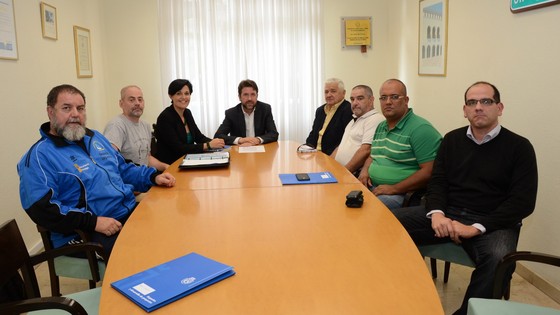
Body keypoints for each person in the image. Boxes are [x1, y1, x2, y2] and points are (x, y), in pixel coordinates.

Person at [393, 81, 538, 315]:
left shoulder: (520, 147)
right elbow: (438, 182)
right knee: (385, 224)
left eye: (486, 101)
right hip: (449, 212)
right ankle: (396, 298)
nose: (478, 107)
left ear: (499, 108)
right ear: (465, 110)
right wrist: (437, 214)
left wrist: (476, 228)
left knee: (499, 261)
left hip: (492, 221)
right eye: (472, 102)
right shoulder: (451, 140)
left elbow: (523, 202)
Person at [17, 84, 176, 259]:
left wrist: (153, 177)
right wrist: (93, 223)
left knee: (171, 227)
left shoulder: (94, 137)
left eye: (80, 108)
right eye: (66, 108)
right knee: (145, 256)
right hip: (83, 233)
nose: (75, 114)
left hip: (124, 212)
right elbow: (43, 209)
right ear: (50, 112)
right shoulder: (39, 157)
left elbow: (122, 168)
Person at [358, 79, 441, 210]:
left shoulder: (420, 129)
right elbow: (373, 155)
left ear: (406, 100)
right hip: (373, 186)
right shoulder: (381, 126)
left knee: (367, 211)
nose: (388, 102)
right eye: (383, 98)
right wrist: (364, 171)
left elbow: (429, 171)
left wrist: (394, 188)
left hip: (400, 193)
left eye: (395, 97)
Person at [154, 79, 225, 164]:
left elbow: (199, 137)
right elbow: (179, 148)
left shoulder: (187, 113)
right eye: (178, 93)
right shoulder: (165, 117)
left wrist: (217, 143)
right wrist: (209, 145)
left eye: (186, 93)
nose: (183, 97)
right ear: (171, 96)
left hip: (188, 161)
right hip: (171, 165)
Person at [104, 85, 168, 171]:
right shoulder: (116, 126)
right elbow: (110, 161)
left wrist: (166, 167)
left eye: (140, 99)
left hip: (145, 178)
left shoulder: (145, 125)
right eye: (131, 100)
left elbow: (147, 158)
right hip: (128, 182)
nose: (137, 103)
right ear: (121, 103)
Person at [331, 85, 384, 175]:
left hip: (352, 174)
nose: (355, 103)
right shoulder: (353, 120)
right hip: (338, 170)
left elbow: (366, 150)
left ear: (371, 100)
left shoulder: (375, 119)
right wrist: (327, 164)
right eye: (352, 99)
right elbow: (340, 147)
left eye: (360, 98)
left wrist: (343, 173)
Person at [214, 79, 279, 146]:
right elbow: (218, 136)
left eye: (253, 94)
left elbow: (273, 134)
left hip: (260, 149)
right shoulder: (231, 113)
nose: (249, 99)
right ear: (239, 97)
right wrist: (240, 140)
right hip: (239, 150)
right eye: (245, 95)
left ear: (257, 96)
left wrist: (258, 140)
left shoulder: (265, 109)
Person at [305, 78, 353, 155]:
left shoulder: (348, 110)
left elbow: (345, 141)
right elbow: (313, 134)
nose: (329, 95)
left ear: (343, 93)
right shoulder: (320, 110)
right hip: (314, 154)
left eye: (333, 91)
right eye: (326, 92)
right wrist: (306, 149)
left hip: (332, 156)